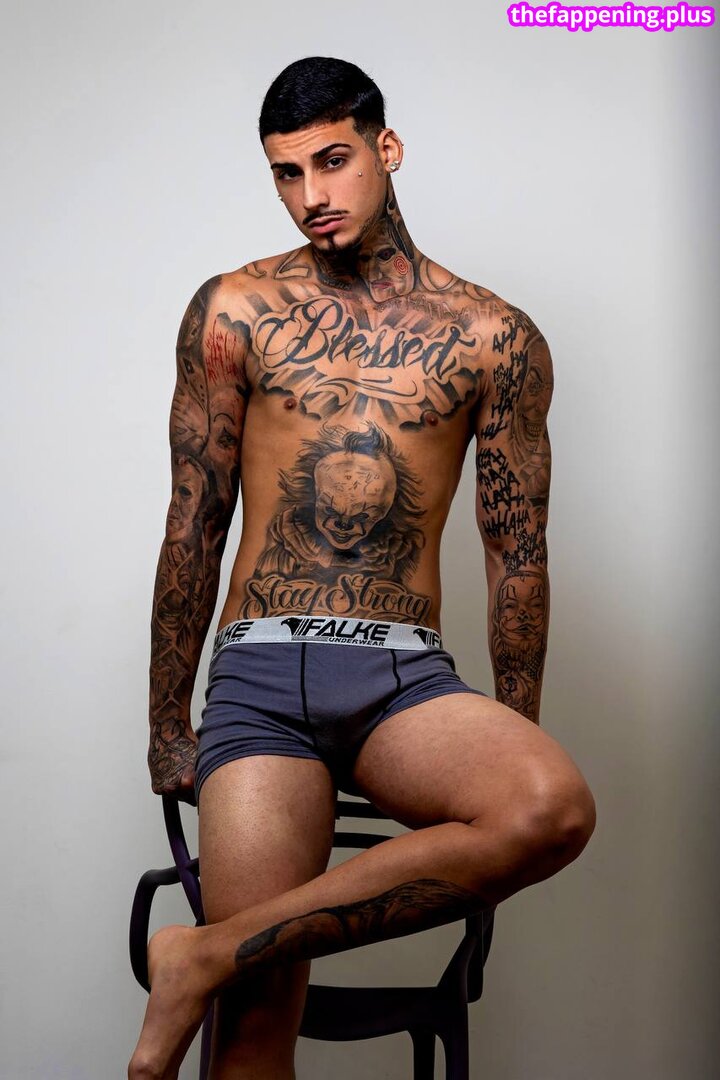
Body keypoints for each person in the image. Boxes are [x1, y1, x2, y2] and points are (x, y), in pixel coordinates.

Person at [130, 55, 596, 1080]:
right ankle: (226, 968)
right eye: (287, 173)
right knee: (256, 1033)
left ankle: (204, 952)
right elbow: (194, 518)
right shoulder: (235, 310)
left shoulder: (493, 336)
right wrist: (167, 720)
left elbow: (516, 551)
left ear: (387, 148)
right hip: (260, 675)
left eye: (333, 161)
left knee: (549, 808)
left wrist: (514, 719)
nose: (313, 195)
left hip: (401, 681)